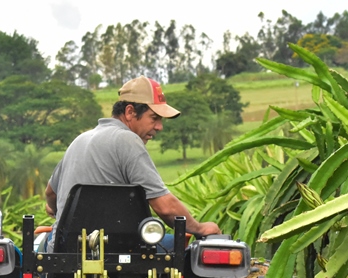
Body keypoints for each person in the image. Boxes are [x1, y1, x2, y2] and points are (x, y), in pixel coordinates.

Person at [44, 76, 221, 240]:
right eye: (154, 118)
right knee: (174, 245)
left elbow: (50, 193)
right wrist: (200, 228)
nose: (159, 127)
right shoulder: (127, 140)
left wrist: (62, 212)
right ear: (130, 112)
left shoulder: (79, 140)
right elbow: (165, 207)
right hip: (119, 255)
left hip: (63, 254)